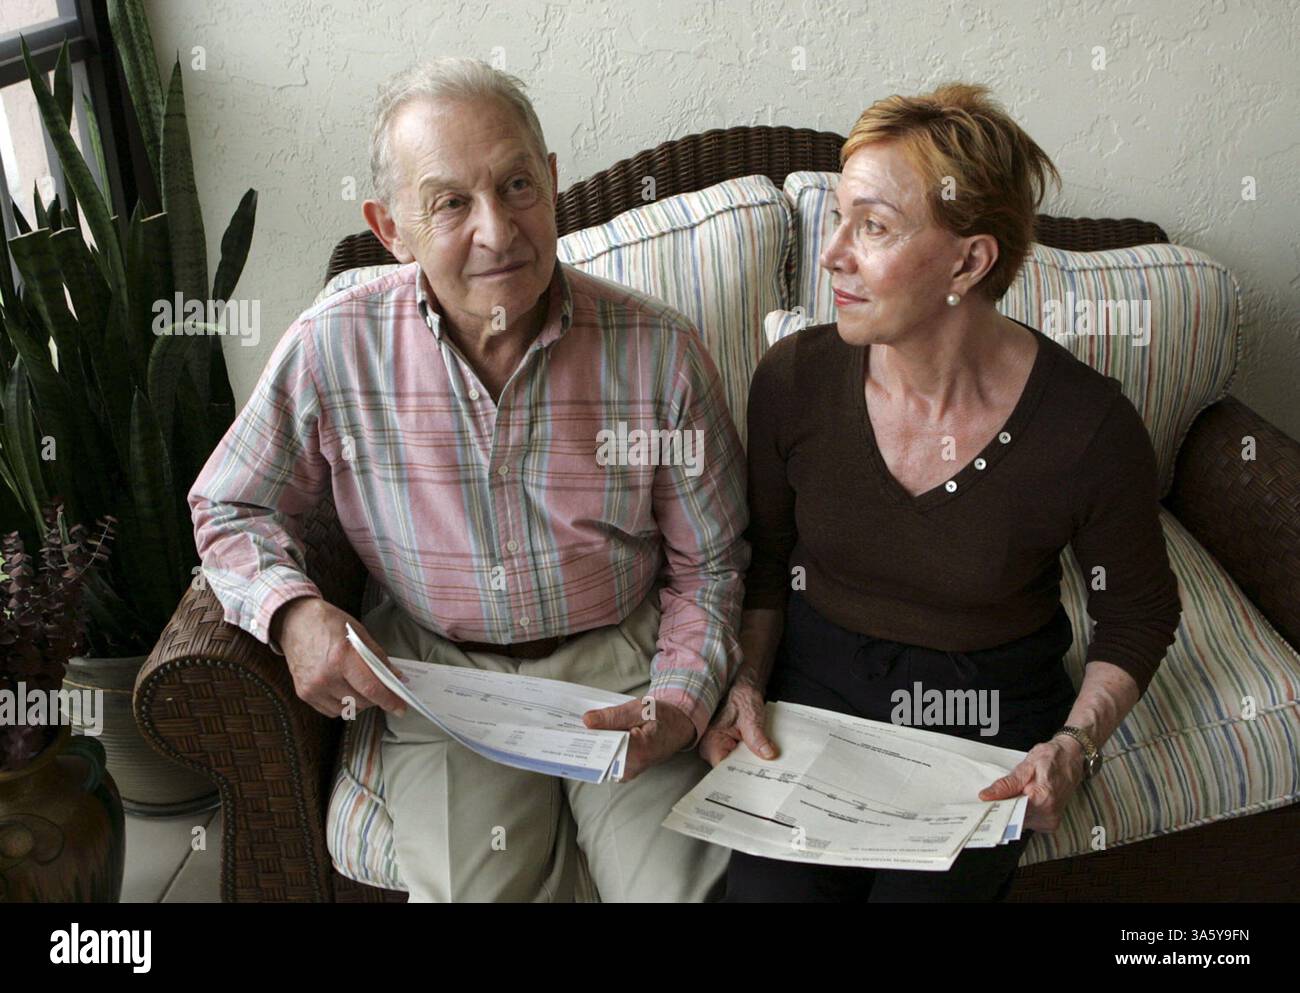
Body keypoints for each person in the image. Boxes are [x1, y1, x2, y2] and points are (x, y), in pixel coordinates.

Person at [189, 57, 748, 902]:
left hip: (623, 662)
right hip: (442, 682)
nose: (498, 228)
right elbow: (230, 501)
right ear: (391, 226)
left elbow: (712, 564)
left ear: (553, 183)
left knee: (683, 892)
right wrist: (293, 611)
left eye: (518, 184)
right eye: (451, 201)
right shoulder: (333, 346)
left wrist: (678, 701)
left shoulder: (659, 351)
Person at [701, 83, 1182, 902]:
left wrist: (1075, 743)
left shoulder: (1087, 426)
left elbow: (1137, 613)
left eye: (874, 228)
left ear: (969, 260)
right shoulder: (794, 380)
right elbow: (769, 561)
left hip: (986, 707)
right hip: (819, 688)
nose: (833, 255)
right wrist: (745, 682)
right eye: (839, 217)